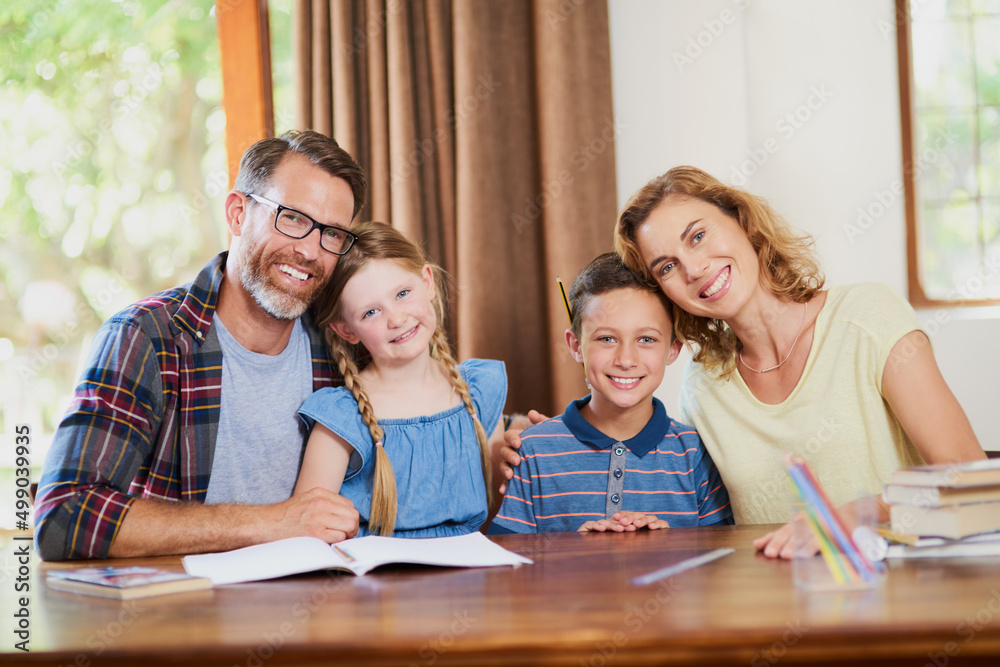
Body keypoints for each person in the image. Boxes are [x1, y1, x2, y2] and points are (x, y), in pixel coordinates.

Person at [610, 165, 986, 557]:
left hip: (897, 596)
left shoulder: (867, 316)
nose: (694, 268)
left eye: (699, 236)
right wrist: (570, 438)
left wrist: (859, 514)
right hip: (772, 604)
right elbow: (702, 515)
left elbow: (968, 479)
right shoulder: (701, 384)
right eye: (667, 267)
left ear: (742, 221)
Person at [35, 130, 366, 560]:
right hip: (183, 617)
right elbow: (64, 517)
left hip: (316, 611)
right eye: (293, 219)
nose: (309, 250)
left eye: (333, 234)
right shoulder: (147, 338)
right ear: (237, 214)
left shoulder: (341, 349)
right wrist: (275, 522)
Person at [490, 253, 732, 534]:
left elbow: (720, 564)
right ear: (576, 345)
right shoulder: (531, 452)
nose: (626, 359)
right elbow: (508, 571)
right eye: (607, 338)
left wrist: (670, 546)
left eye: (646, 339)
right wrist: (576, 551)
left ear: (673, 348)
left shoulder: (695, 454)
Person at [293, 222, 507, 537]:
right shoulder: (341, 416)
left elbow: (501, 513)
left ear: (428, 282)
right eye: (370, 313)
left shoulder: (479, 392)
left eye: (403, 294)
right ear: (346, 330)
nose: (396, 319)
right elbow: (305, 529)